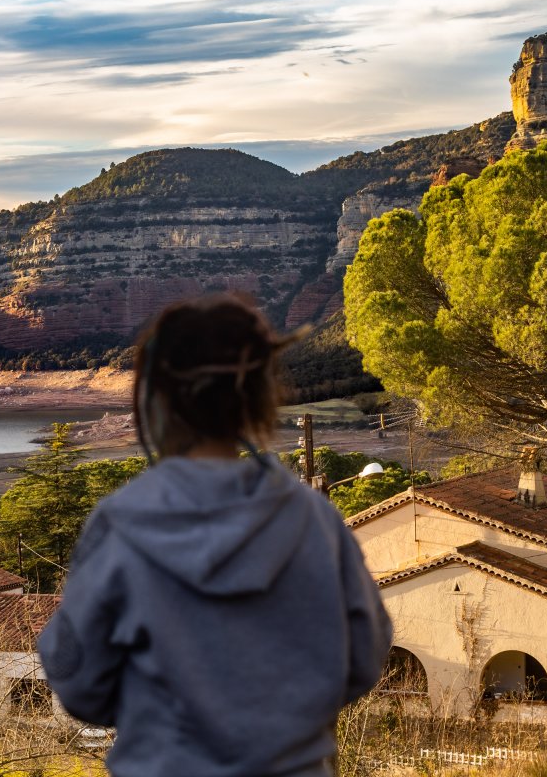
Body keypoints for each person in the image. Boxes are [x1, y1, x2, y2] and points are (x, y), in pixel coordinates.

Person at [38, 293, 393, 777]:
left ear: (155, 399)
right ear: (256, 400)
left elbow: (79, 683)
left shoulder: (120, 524)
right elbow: (364, 659)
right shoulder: (313, 518)